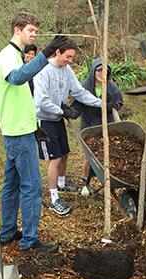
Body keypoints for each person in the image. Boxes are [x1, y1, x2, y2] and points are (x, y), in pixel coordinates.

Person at [0, 11, 68, 252]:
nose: (34, 34)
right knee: (31, 186)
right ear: (17, 29)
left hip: (22, 128)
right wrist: (46, 53)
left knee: (13, 183)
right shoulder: (8, 55)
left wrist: (34, 126)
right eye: (31, 31)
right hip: (17, 132)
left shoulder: (15, 55)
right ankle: (30, 239)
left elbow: (20, 92)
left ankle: (6, 232)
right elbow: (17, 78)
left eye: (36, 31)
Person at [34, 39, 104, 215]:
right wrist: (62, 111)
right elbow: (41, 101)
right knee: (55, 158)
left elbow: (79, 92)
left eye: (72, 57)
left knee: (65, 153)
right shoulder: (43, 71)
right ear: (57, 52)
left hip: (57, 118)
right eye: (68, 56)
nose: (70, 60)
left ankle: (62, 184)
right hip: (44, 120)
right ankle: (54, 198)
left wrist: (101, 103)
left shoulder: (67, 70)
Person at [70, 57, 124, 183]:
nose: (102, 74)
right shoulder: (85, 86)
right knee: (90, 156)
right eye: (99, 70)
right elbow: (77, 105)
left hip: (107, 123)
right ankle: (85, 181)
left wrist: (114, 106)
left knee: (108, 153)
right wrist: (71, 112)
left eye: (105, 71)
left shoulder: (112, 87)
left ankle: (108, 179)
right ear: (93, 71)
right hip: (89, 124)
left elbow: (119, 102)